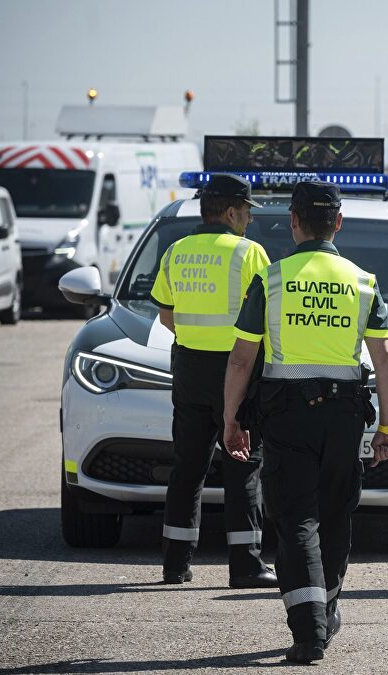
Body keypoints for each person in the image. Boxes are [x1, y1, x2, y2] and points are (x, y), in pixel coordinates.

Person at [222, 180, 388, 664]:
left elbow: (241, 359)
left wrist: (231, 419)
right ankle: (327, 608)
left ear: (294, 222)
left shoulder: (272, 279)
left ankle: (309, 631)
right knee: (336, 514)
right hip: (344, 415)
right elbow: (385, 361)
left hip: (287, 416)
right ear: (338, 223)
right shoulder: (363, 281)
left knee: (296, 518)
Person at [149, 173, 277, 589]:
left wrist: (196, 340)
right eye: (247, 212)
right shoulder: (248, 253)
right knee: (243, 465)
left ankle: (175, 564)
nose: (250, 220)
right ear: (231, 212)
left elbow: (166, 316)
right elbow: (267, 317)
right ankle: (246, 566)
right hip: (235, 371)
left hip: (189, 367)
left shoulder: (176, 251)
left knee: (187, 467)